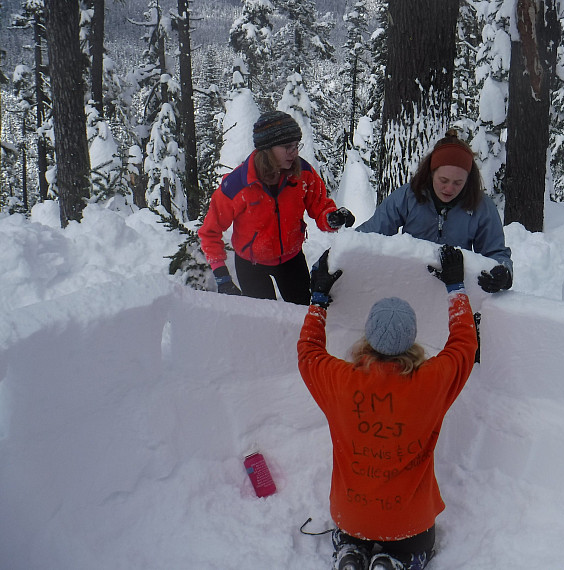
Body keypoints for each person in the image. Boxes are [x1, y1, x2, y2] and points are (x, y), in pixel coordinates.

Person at [297, 246, 478, 570]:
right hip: (410, 525)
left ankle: (351, 553)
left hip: (351, 517)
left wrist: (318, 299)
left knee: (352, 533)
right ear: (411, 340)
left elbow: (309, 352)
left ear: (368, 337)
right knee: (413, 548)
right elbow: (464, 344)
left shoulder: (340, 381)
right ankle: (397, 561)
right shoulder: (431, 382)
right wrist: (455, 288)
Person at [198, 110, 355, 304]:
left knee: (301, 314)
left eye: (296, 145)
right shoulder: (237, 185)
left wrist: (332, 217)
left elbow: (321, 206)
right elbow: (210, 231)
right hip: (251, 265)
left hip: (291, 260)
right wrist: (222, 276)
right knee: (264, 322)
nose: (295, 152)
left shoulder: (302, 173)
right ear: (267, 149)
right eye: (288, 146)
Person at [355, 129, 513, 294]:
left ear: (468, 180)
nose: (449, 188)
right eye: (443, 180)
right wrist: (339, 249)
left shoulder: (481, 207)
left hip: (456, 290)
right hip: (408, 286)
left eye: (458, 182)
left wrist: (503, 273)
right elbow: (370, 235)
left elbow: (495, 253)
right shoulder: (408, 197)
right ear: (431, 173)